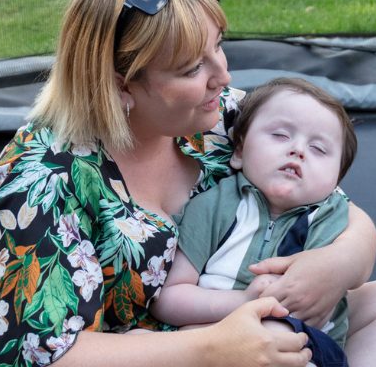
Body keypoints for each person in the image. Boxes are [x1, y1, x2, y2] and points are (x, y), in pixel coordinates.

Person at [0, 0, 376, 366]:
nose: (223, 75)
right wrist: (211, 351)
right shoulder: (39, 185)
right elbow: (45, 355)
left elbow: (343, 212)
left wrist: (336, 264)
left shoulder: (221, 117)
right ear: (120, 86)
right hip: (161, 354)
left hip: (247, 324)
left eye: (217, 46)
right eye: (192, 68)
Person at [151, 77, 359, 367]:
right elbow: (168, 298)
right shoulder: (214, 206)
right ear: (239, 151)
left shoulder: (332, 218)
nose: (298, 150)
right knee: (266, 328)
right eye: (280, 135)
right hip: (217, 339)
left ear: (336, 180)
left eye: (319, 149)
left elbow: (347, 277)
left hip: (309, 348)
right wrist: (243, 302)